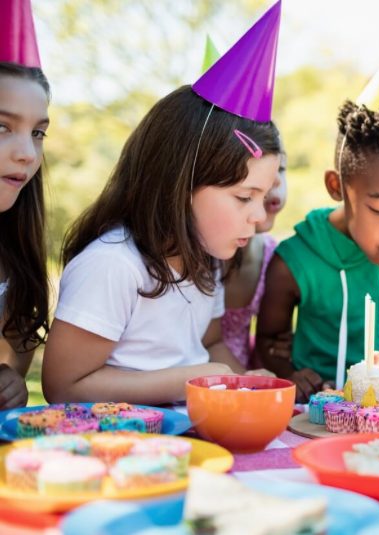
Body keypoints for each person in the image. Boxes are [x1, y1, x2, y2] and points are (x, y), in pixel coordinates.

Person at [42, 3, 284, 403]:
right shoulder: (114, 265)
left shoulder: (207, 260)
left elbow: (211, 346)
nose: (259, 217)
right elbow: (63, 387)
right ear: (179, 184)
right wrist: (191, 379)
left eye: (264, 196)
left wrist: (245, 383)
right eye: (244, 197)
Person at [255, 12, 379, 402]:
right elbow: (268, 344)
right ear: (336, 186)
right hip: (324, 421)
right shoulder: (295, 262)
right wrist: (290, 374)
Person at [0, 0, 50, 409]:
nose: (27, 154)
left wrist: (9, 382)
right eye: (2, 127)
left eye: (37, 132)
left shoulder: (13, 251)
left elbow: (13, 364)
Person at [221, 147, 287, 368]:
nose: (276, 181)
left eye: (282, 168)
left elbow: (270, 342)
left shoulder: (274, 259)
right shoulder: (192, 257)